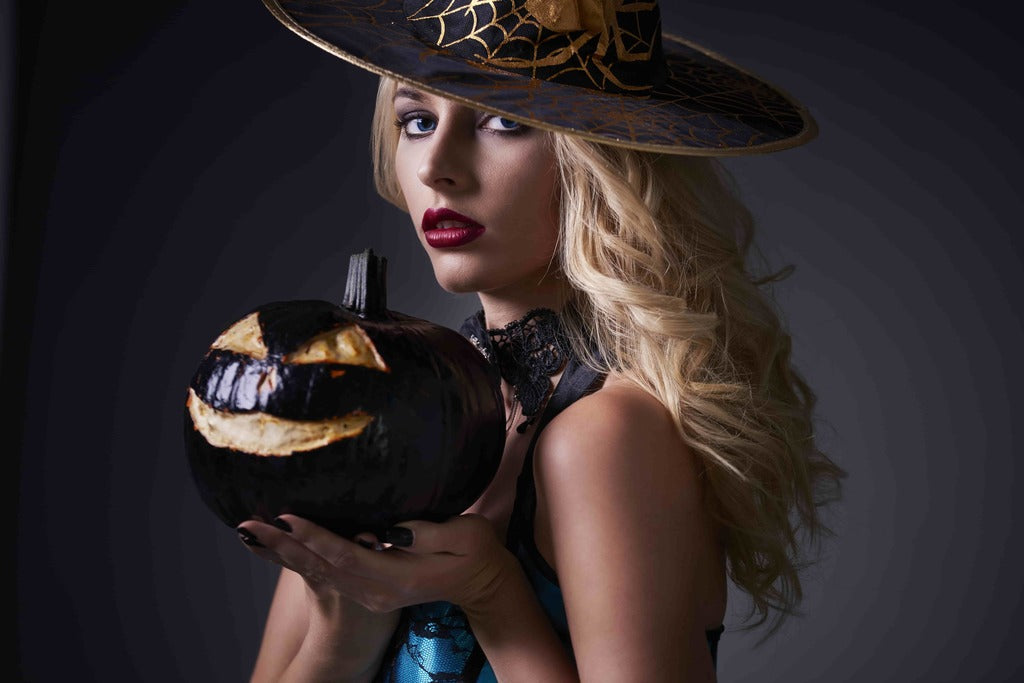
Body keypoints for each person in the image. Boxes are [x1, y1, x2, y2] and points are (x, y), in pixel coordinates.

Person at [235, 1, 845, 680]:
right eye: (418, 121)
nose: (437, 166)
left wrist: (493, 594)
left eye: (504, 120)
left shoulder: (605, 432)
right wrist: (341, 634)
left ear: (598, 155)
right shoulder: (381, 405)